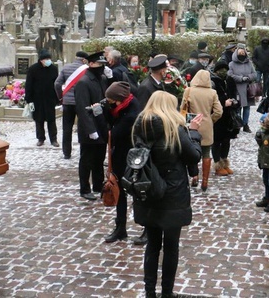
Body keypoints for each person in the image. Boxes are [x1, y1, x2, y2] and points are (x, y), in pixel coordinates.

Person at [132, 92, 203, 298]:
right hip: (173, 193)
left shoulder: (141, 125)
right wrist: (194, 132)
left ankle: (149, 293)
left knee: (152, 245)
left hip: (149, 190)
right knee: (171, 246)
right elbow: (194, 155)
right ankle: (167, 293)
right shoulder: (174, 127)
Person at [102, 81, 140, 243]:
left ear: (119, 100)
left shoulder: (130, 114)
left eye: (111, 101)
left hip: (131, 160)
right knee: (121, 194)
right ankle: (120, 228)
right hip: (121, 157)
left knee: (138, 194)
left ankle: (145, 228)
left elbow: (114, 134)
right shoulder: (123, 107)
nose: (109, 103)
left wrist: (104, 114)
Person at [74, 51, 109, 201]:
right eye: (99, 64)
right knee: (87, 160)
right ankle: (84, 188)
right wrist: (91, 130)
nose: (101, 67)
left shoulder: (101, 79)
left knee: (99, 159)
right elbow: (82, 109)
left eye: (103, 65)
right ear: (91, 64)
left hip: (101, 124)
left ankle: (97, 184)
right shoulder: (83, 82)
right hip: (90, 127)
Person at [181, 69, 223, 192]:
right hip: (206, 125)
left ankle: (195, 176)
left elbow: (183, 109)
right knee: (206, 153)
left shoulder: (189, 91)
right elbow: (219, 111)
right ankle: (205, 181)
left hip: (192, 124)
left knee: (191, 151)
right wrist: (211, 120)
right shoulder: (213, 92)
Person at [54, 51, 88, 159]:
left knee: (67, 128)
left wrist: (60, 97)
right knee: (83, 127)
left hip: (68, 102)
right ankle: (83, 150)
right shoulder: (86, 69)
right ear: (84, 60)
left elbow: (57, 83)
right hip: (81, 102)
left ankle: (66, 152)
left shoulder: (66, 68)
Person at [25, 49, 60, 147]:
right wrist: (29, 99)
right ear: (41, 60)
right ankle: (41, 138)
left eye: (49, 58)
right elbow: (29, 85)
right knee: (39, 119)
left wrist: (57, 98)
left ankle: (53, 139)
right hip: (37, 98)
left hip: (50, 98)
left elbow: (56, 84)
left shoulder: (53, 69)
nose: (48, 60)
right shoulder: (33, 69)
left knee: (51, 119)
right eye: (46, 59)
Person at [211, 60, 239, 177]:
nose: (223, 72)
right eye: (221, 70)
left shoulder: (229, 80)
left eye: (225, 69)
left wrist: (234, 101)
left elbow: (234, 93)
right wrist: (223, 102)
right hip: (218, 115)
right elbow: (212, 99)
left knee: (227, 140)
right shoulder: (213, 82)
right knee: (217, 141)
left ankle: (224, 162)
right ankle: (218, 164)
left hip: (228, 115)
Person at [228, 44, 259, 133]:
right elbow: (230, 75)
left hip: (248, 88)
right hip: (237, 88)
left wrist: (248, 77)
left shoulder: (249, 63)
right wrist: (241, 78)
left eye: (243, 52)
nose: (242, 54)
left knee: (247, 107)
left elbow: (255, 74)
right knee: (238, 107)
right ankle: (238, 124)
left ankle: (245, 124)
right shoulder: (232, 64)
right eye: (240, 52)